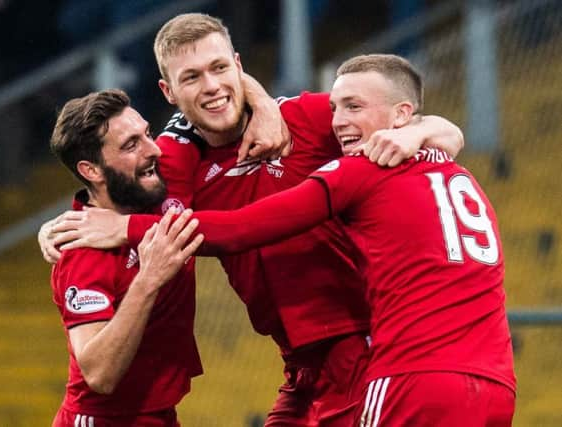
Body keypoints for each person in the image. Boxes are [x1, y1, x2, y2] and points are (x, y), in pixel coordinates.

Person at [40, 13, 465, 426]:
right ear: (169, 92)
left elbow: (445, 133)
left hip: (367, 346)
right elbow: (121, 194)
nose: (211, 87)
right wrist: (60, 226)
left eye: (219, 68)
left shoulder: (308, 118)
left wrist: (414, 133)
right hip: (301, 368)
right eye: (191, 78)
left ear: (239, 68)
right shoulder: (173, 161)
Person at [181, 53, 516, 426]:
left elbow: (242, 227)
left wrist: (125, 230)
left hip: (409, 374)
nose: (337, 122)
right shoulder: (464, 178)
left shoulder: (364, 169)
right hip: (495, 383)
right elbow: (448, 132)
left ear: (402, 114)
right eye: (335, 108)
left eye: (353, 107)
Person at [47, 89, 204, 426]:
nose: (154, 149)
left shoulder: (162, 183)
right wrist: (149, 279)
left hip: (157, 415)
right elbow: (99, 374)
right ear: (92, 170)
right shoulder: (83, 254)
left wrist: (263, 106)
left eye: (147, 133)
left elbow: (206, 101)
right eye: (131, 145)